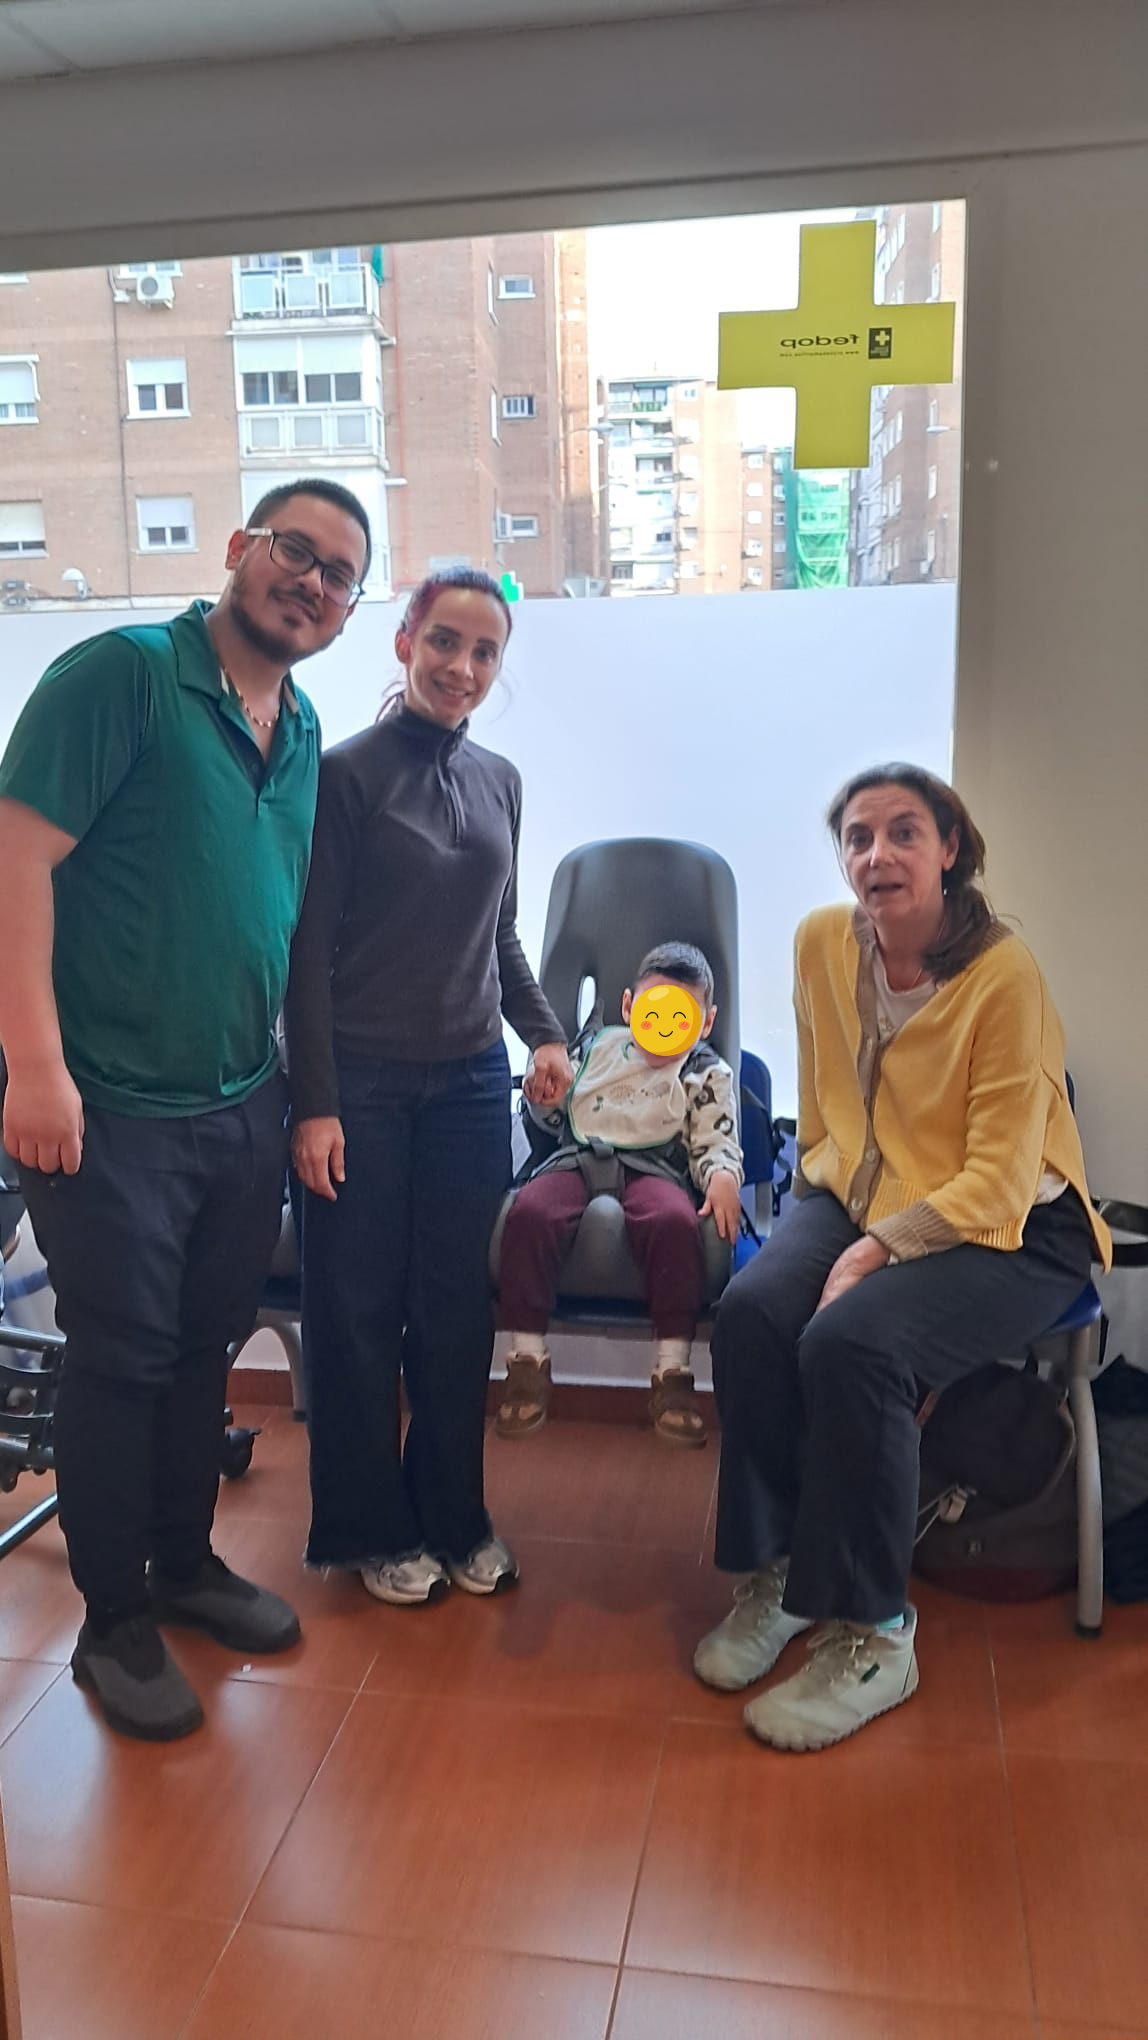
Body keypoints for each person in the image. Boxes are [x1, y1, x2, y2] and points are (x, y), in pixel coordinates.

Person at [0, 480, 371, 1741]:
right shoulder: (121, 679)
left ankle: (183, 1562)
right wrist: (33, 1068)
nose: (311, 582)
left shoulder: (300, 727)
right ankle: (112, 1620)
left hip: (240, 1100)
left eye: (338, 575)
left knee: (204, 1344)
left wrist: (301, 1097)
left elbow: (284, 922)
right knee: (121, 1356)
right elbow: (15, 861)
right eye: (294, 551)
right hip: (103, 1105)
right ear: (236, 548)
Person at [695, 763, 1112, 1752]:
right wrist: (834, 1222)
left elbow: (999, 1183)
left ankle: (877, 1633)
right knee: (751, 1311)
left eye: (904, 832)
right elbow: (826, 1105)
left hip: (1016, 1227)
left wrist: (876, 1254)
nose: (876, 854)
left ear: (949, 850)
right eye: (857, 836)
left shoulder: (1002, 974)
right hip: (862, 1191)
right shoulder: (819, 944)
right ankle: (785, 1575)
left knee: (856, 1344)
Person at [286, 566, 572, 1607]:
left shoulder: (500, 780)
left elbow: (500, 934)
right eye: (445, 642)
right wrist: (314, 1103)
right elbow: (306, 954)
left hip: (467, 1086)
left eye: (484, 652)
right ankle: (368, 1528)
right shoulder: (343, 777)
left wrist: (544, 1035)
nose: (462, 667)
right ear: (405, 641)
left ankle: (455, 1517)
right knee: (356, 1309)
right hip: (359, 1083)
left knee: (453, 1312)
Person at [496, 940, 743, 1446]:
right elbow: (553, 1113)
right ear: (630, 1006)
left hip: (655, 1166)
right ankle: (526, 1360)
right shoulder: (595, 1049)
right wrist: (542, 1100)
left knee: (675, 1224)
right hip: (578, 1156)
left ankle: (672, 1371)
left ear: (706, 1023)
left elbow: (716, 1137)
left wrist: (722, 1175)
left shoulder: (703, 1071)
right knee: (530, 1214)